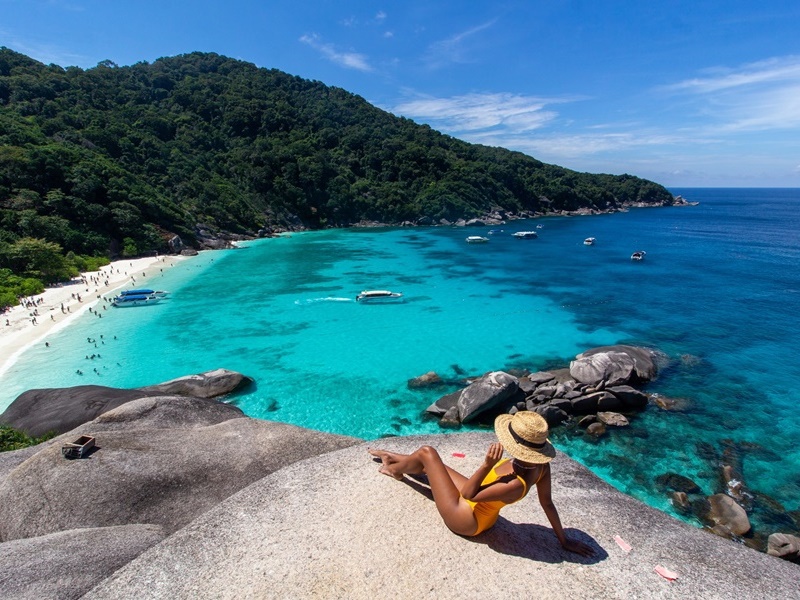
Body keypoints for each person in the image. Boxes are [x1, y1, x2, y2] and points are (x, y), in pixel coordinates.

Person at [369, 410, 592, 555]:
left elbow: (467, 495)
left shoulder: (515, 484)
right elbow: (547, 503)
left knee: (428, 453)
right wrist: (563, 539)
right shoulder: (541, 467)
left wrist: (486, 465)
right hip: (482, 510)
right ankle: (395, 456)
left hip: (466, 520)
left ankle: (394, 469)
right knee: (429, 462)